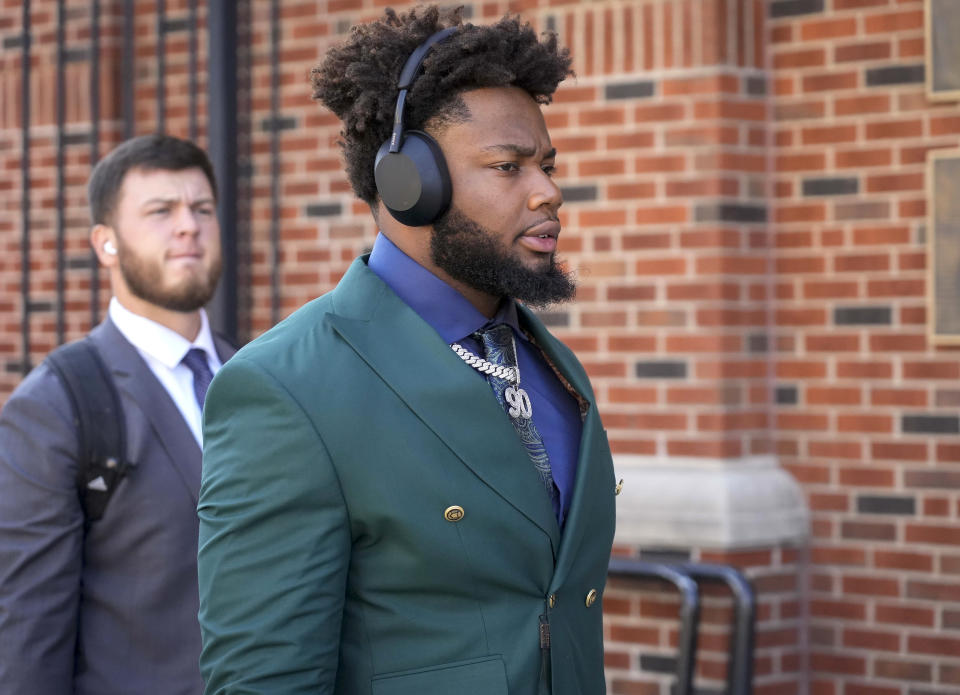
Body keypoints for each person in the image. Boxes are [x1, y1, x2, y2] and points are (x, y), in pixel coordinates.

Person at [197, 6, 616, 694]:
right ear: (409, 185)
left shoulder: (554, 368)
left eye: (546, 164)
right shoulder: (284, 389)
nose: (549, 191)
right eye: (508, 166)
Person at [0, 133, 234, 695]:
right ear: (105, 243)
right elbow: (29, 633)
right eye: (161, 211)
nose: (188, 226)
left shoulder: (257, 375)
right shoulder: (57, 405)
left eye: (201, 209)